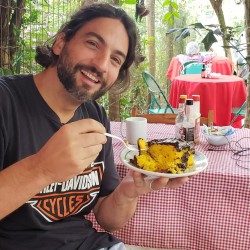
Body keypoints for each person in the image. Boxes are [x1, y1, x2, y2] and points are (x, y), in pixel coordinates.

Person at [0, 3, 189, 250]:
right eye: (93, 44)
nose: (101, 64)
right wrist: (41, 168)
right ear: (60, 43)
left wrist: (129, 191)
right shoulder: (6, 101)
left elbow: (108, 219)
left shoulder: (95, 115)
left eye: (115, 59)